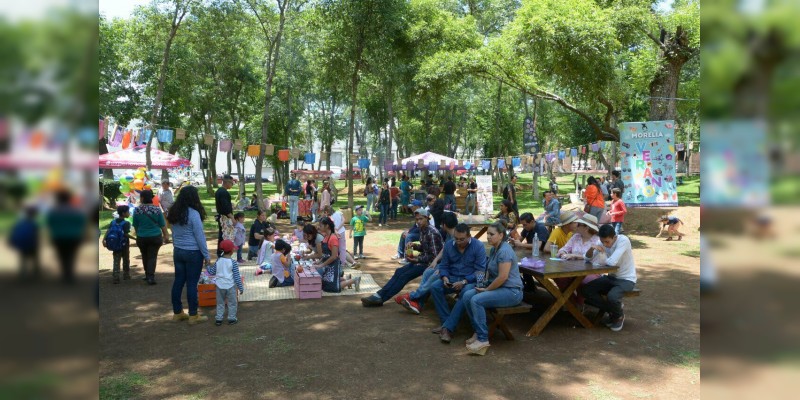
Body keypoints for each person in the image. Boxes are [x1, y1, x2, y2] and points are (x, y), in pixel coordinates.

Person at [461, 222, 524, 355]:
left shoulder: (505, 251)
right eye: (487, 234)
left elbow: (502, 277)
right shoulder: (494, 248)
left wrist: (487, 289)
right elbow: (490, 272)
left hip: (512, 291)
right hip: (499, 288)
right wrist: (483, 284)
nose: (488, 237)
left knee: (477, 300)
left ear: (501, 235)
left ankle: (483, 339)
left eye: (491, 234)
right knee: (467, 295)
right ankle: (478, 332)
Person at [361, 209, 443, 307]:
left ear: (427, 218)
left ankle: (381, 298)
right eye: (417, 219)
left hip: (431, 265)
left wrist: (417, 259)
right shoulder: (423, 229)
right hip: (422, 261)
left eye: (421, 219)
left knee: (404, 276)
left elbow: (435, 256)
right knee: (399, 272)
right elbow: (426, 248)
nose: (418, 221)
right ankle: (379, 295)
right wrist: (415, 246)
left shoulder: (432, 232)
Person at [428, 224, 488, 343]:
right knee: (435, 287)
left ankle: (448, 328)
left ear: (469, 236)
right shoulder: (449, 244)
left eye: (462, 239)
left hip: (470, 280)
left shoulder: (478, 246)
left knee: (466, 293)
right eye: (456, 238)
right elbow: (444, 265)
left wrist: (464, 281)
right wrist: (444, 277)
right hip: (452, 277)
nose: (459, 242)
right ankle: (446, 322)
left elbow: (480, 271)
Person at [395, 212, 459, 315]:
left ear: (444, 225)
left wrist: (442, 268)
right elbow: (445, 249)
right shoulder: (449, 234)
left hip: (454, 269)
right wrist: (435, 261)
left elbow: (458, 259)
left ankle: (412, 296)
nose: (418, 221)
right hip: (445, 264)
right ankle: (418, 304)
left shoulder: (457, 237)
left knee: (433, 277)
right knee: (428, 272)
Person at [167, 185, 211, 325]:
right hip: (193, 252)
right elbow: (200, 237)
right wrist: (206, 255)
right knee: (192, 283)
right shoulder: (193, 214)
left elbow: (173, 232)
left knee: (178, 281)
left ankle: (177, 312)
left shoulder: (173, 212)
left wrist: (177, 246)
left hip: (178, 251)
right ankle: (193, 315)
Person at [582, 224, 638, 331]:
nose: (605, 244)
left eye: (607, 242)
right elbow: (587, 259)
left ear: (614, 237)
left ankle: (618, 316)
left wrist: (601, 254)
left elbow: (612, 262)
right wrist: (591, 249)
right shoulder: (602, 241)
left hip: (626, 279)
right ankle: (614, 310)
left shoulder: (623, 241)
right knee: (586, 290)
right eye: (602, 242)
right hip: (611, 278)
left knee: (612, 297)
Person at [46, 189, 87, 283]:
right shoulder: (75, 210)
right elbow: (81, 222)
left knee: (62, 256)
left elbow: (49, 223)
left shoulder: (53, 210)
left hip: (58, 236)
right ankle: (70, 274)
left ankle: (65, 274)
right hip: (74, 236)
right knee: (71, 255)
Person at [133, 190, 170, 285]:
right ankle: (150, 276)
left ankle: (147, 274)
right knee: (152, 256)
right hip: (155, 237)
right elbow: (162, 224)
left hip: (142, 237)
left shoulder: (137, 210)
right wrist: (166, 235)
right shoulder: (157, 210)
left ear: (142, 198)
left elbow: (135, 225)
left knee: (145, 255)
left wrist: (138, 235)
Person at [314, 218, 361, 292]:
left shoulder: (333, 238)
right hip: (327, 265)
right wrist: (319, 261)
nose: (319, 227)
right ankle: (346, 279)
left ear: (327, 226)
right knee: (324, 286)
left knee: (332, 288)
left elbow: (334, 256)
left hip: (333, 266)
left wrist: (321, 265)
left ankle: (354, 280)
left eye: (321, 225)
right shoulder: (326, 237)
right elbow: (325, 254)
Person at [207, 239, 244, 326]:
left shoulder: (218, 260)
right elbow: (237, 277)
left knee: (220, 303)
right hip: (230, 286)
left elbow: (212, 272)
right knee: (232, 303)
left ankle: (219, 319)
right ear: (231, 251)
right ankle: (231, 318)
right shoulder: (233, 262)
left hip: (219, 286)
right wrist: (240, 287)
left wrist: (208, 266)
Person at [103, 205, 135, 284]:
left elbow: (108, 230)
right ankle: (126, 274)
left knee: (116, 260)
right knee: (126, 259)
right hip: (124, 244)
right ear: (123, 213)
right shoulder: (126, 223)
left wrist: (104, 239)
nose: (129, 213)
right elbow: (126, 234)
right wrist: (135, 239)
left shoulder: (113, 222)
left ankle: (116, 276)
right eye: (127, 212)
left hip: (115, 244)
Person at [9, 206, 40, 281]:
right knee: (34, 258)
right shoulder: (34, 223)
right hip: (31, 243)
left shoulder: (20, 222)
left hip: (21, 243)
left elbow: (13, 232)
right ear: (35, 214)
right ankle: (36, 272)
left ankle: (23, 274)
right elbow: (36, 235)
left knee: (23, 259)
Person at [215, 175, 235, 257]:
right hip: (225, 217)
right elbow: (225, 207)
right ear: (226, 182)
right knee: (225, 235)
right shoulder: (223, 192)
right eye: (231, 183)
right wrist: (232, 217)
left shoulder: (219, 191)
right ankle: (223, 252)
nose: (232, 184)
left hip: (222, 216)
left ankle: (221, 252)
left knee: (222, 235)